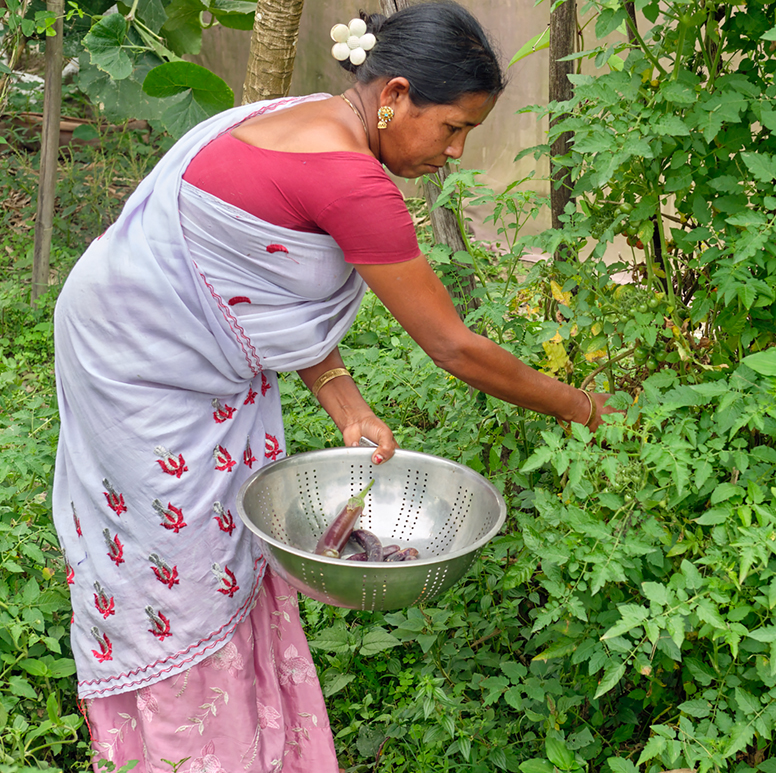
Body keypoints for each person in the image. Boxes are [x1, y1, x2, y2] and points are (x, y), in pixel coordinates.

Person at [52, 4, 613, 770]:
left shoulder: (312, 118)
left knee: (227, 544)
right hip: (137, 362)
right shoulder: (352, 182)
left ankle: (248, 739)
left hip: (177, 341)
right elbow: (452, 345)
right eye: (452, 128)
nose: (453, 152)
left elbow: (261, 296)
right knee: (172, 567)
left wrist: (347, 402)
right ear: (394, 96)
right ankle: (181, 749)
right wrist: (584, 408)